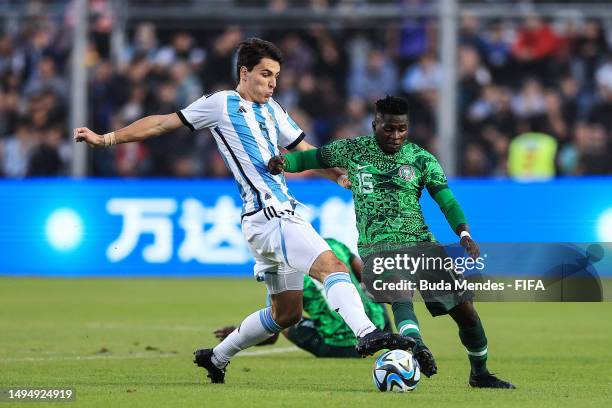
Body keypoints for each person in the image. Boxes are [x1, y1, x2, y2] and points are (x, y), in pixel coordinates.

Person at [73, 38, 413, 384]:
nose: (272, 83)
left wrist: (339, 175)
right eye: (265, 74)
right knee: (332, 266)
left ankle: (217, 357)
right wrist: (107, 139)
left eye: (276, 76)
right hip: (272, 215)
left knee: (287, 314)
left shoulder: (274, 110)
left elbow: (306, 151)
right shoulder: (222, 103)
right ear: (244, 72)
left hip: (263, 223)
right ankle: (368, 333)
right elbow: (163, 123)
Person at [267, 95, 516, 389]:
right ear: (375, 124)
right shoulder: (353, 150)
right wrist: (284, 162)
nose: (395, 135)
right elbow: (310, 158)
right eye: (389, 128)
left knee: (466, 312)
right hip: (378, 246)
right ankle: (418, 346)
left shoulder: (421, 159)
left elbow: (446, 200)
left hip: (422, 244)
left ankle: (480, 373)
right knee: (400, 294)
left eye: (401, 129)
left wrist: (463, 233)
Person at [214, 238, 391, 358]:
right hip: (374, 329)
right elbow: (369, 277)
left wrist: (238, 334)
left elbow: (271, 336)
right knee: (367, 290)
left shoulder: (281, 269)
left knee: (282, 316)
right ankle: (382, 336)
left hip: (338, 347)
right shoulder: (333, 246)